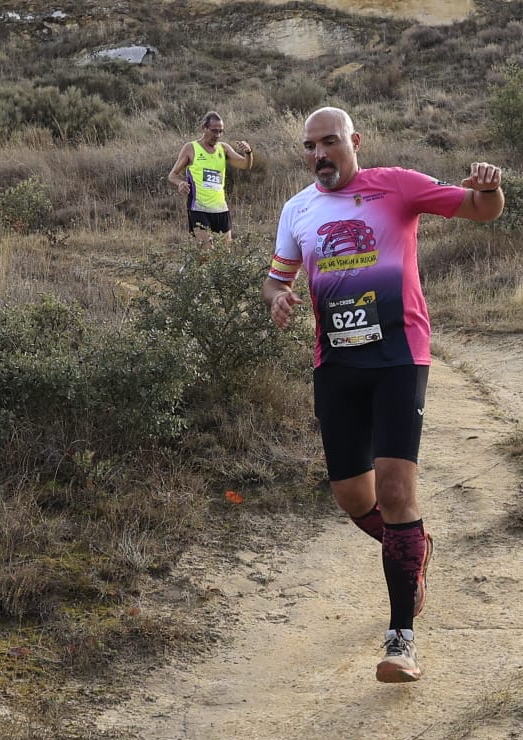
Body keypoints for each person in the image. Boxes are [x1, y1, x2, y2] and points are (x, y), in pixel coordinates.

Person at [262, 106, 504, 683]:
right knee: (353, 497)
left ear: (355, 141)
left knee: (395, 491)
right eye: (309, 146)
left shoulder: (396, 186)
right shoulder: (297, 209)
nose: (319, 154)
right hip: (336, 364)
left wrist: (491, 188)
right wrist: (276, 298)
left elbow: (481, 210)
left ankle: (401, 641)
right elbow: (276, 278)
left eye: (329, 142)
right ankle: (413, 545)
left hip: (398, 357)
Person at [167, 112, 254, 235]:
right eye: (214, 131)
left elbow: (245, 165)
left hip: (220, 208)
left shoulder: (224, 148)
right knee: (206, 247)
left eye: (220, 131)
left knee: (225, 248)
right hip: (199, 209)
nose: (217, 135)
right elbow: (172, 175)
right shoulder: (191, 148)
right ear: (204, 128)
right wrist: (180, 183)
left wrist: (248, 152)